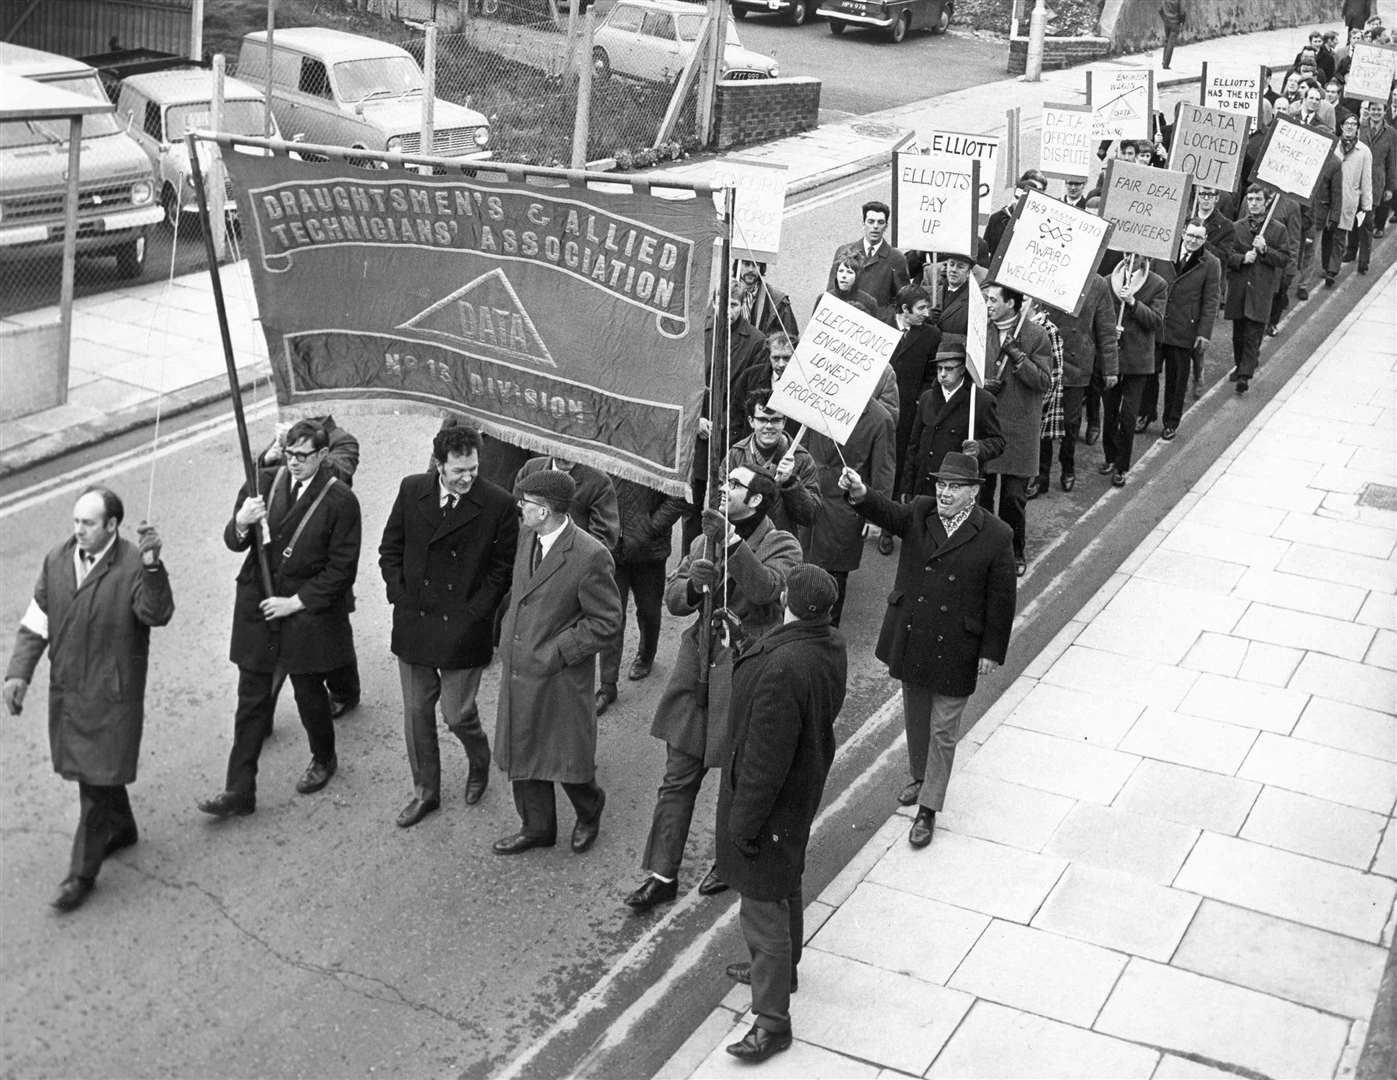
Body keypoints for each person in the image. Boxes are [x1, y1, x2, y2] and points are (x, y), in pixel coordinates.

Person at [624, 465, 801, 913]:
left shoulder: (783, 543)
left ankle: (728, 862)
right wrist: (694, 586)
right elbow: (674, 596)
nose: (724, 490)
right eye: (724, 483)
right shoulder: (704, 539)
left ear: (757, 500)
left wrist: (735, 545)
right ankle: (662, 873)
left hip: (745, 673)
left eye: (735, 486)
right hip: (698, 667)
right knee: (678, 775)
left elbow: (767, 591)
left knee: (735, 782)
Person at [3, 488, 173, 912]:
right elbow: (36, 620)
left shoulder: (134, 562)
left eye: (88, 523)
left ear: (112, 526)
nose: (78, 530)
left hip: (112, 696)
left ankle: (81, 874)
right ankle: (123, 828)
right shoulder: (57, 560)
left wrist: (153, 568)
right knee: (92, 772)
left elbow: (156, 614)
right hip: (70, 690)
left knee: (95, 782)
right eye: (76, 521)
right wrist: (18, 674)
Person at [838, 452, 1015, 848]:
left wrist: (991, 651)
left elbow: (1001, 600)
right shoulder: (920, 511)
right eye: (941, 485)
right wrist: (861, 492)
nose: (945, 493)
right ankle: (919, 776)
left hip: (958, 646)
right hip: (915, 635)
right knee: (916, 720)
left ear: (973, 492)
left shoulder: (997, 535)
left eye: (955, 487)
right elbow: (886, 512)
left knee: (943, 730)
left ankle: (928, 810)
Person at [716, 565, 847, 1064]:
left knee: (762, 909)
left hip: (768, 806)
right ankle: (785, 969)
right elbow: (781, 658)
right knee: (786, 878)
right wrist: (743, 641)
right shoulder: (825, 645)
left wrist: (743, 825)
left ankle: (771, 1023)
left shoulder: (782, 669)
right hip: (800, 792)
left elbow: (763, 761)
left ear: (790, 600)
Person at [199, 419, 362, 818]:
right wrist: (242, 522)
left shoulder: (339, 500)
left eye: (303, 456)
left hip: (304, 610)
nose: (293, 463)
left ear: (323, 456)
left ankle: (324, 758)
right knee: (251, 700)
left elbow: (341, 569)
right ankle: (239, 790)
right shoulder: (263, 483)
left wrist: (297, 602)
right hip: (259, 600)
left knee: (309, 694)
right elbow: (233, 541)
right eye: (289, 454)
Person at [378, 424, 517, 828]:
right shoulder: (411, 489)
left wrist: (476, 611)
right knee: (417, 713)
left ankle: (479, 761)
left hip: (463, 626)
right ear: (439, 465)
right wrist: (398, 594)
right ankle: (426, 792)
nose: (468, 477)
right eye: (459, 471)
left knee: (457, 715)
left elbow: (502, 569)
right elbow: (390, 548)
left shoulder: (498, 504)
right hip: (415, 620)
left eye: (473, 468)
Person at [492, 469, 622, 855]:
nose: (520, 508)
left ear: (545, 510)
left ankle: (589, 808)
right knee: (524, 749)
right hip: (520, 667)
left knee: (565, 758)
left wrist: (559, 651)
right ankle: (537, 828)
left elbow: (607, 622)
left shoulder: (590, 555)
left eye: (526, 504)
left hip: (559, 675)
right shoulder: (526, 535)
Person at [259, 414, 361, 718]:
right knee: (285, 650)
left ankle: (345, 690)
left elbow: (339, 474)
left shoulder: (342, 439)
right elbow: (262, 473)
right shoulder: (292, 432)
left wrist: (306, 456)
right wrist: (273, 453)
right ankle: (261, 711)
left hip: (320, 559)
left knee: (332, 644)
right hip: (282, 567)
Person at [979, 283, 1053, 576]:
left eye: (993, 300)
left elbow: (1043, 382)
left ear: (1011, 303)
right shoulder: (980, 330)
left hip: (1019, 429)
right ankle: (983, 550)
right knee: (982, 493)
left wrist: (1018, 357)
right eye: (987, 299)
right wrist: (984, 385)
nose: (988, 304)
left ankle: (1014, 551)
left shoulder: (1036, 336)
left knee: (1013, 498)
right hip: (988, 424)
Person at [801, 395, 895, 625]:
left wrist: (876, 517)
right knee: (800, 574)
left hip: (843, 513)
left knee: (831, 584)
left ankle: (825, 639)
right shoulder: (818, 400)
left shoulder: (880, 418)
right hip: (807, 500)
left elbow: (883, 472)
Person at [597, 477, 687, 715]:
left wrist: (649, 528)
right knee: (612, 616)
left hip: (649, 553)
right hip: (612, 552)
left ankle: (646, 655)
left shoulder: (660, 448)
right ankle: (607, 685)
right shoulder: (609, 445)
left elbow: (678, 497)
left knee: (648, 610)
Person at [1038, 272, 1118, 493]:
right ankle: (1041, 475)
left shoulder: (1099, 285)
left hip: (1078, 363)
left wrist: (1110, 368)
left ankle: (1068, 467)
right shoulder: (1048, 271)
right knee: (1042, 420)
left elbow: (1106, 330)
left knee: (1070, 422)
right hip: (1047, 358)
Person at [901, 338, 1006, 497]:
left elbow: (998, 441)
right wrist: (907, 487)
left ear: (963, 369)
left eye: (949, 369)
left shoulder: (981, 400)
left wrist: (979, 447)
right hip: (924, 484)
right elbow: (913, 446)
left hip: (957, 487)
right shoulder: (927, 398)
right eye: (939, 368)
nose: (942, 374)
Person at [885, 284, 943, 554]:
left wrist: (921, 400)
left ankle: (888, 526)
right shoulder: (881, 324)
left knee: (896, 469)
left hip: (908, 412)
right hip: (877, 409)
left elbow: (932, 376)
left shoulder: (931, 335)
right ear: (905, 310)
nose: (926, 313)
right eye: (920, 308)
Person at [1101, 257, 1167, 485]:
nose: (1131, 258)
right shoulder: (1109, 280)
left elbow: (1156, 321)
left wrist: (1132, 302)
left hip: (1138, 362)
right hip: (1112, 359)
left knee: (1128, 416)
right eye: (1128, 253)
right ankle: (1110, 455)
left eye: (1136, 255)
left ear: (1145, 258)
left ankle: (1122, 465)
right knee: (1109, 413)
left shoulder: (1157, 284)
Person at [1154, 220, 1221, 442]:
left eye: (1199, 238)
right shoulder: (1164, 252)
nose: (1193, 241)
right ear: (1183, 233)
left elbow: (1211, 300)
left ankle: (1171, 422)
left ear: (1205, 240)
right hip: (1157, 324)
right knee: (1149, 374)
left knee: (1177, 379)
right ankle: (1145, 414)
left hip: (1185, 329)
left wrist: (1204, 333)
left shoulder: (1211, 263)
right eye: (1190, 235)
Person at [1225, 185, 1292, 396]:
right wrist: (1242, 259)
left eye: (1258, 200)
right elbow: (1227, 255)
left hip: (1261, 290)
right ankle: (1241, 365)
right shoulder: (1236, 227)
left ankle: (1245, 375)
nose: (1253, 203)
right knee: (1239, 335)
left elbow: (1284, 258)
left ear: (1266, 203)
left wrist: (1265, 250)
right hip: (1240, 290)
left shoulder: (1278, 229)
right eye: (1250, 199)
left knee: (1253, 334)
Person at [726, 391, 821, 535]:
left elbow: (810, 516)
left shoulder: (802, 459)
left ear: (784, 422)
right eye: (763, 420)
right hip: (740, 541)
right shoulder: (735, 454)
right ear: (751, 421)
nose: (769, 426)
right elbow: (719, 502)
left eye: (776, 420)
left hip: (781, 544)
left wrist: (790, 483)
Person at [826, 201, 910, 324]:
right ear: (863, 224)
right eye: (871, 222)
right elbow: (832, 291)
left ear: (886, 226)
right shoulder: (845, 251)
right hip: (844, 322)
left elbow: (902, 300)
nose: (875, 227)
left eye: (880, 222)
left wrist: (883, 318)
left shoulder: (896, 258)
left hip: (876, 326)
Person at [513, 454, 620, 550]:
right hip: (529, 557)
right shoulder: (531, 468)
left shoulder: (599, 481)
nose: (567, 455)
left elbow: (602, 538)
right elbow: (516, 513)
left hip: (572, 560)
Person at [1330, 118, 1374, 286]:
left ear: (1357, 128)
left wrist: (1366, 205)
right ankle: (1330, 266)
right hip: (1332, 198)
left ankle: (1333, 270)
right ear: (1341, 126)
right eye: (1346, 123)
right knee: (1331, 234)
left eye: (1353, 124)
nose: (1349, 127)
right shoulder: (1333, 146)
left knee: (1342, 234)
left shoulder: (1363, 151)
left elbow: (1366, 180)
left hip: (1350, 199)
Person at [982, 171, 1047, 265]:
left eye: (1023, 200)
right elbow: (986, 251)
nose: (1017, 203)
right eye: (1017, 198)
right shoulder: (996, 218)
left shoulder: (1040, 224)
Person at [1358, 99, 1396, 250]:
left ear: (1384, 112)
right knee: (1355, 218)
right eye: (1373, 109)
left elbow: (1392, 162)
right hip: (1358, 179)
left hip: (1377, 181)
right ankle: (1351, 248)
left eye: (1379, 109)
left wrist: (1390, 188)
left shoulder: (1391, 133)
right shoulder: (1360, 127)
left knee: (1368, 220)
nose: (1376, 112)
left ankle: (1364, 259)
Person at [735, 258, 798, 338]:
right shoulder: (725, 294)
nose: (751, 269)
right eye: (746, 264)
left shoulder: (777, 301)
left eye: (755, 264)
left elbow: (791, 338)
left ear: (761, 267)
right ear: (738, 265)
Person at [822, 252, 880, 317]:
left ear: (857, 276)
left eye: (849, 272)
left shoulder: (869, 302)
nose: (844, 276)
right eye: (841, 271)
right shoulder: (824, 298)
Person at [1159, 0, 1185, 69]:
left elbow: (1160, 10)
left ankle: (1164, 60)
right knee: (1171, 44)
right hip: (1175, 22)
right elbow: (1182, 12)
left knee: (1167, 41)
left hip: (1167, 22)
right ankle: (1166, 64)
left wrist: (1164, 19)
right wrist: (1182, 22)